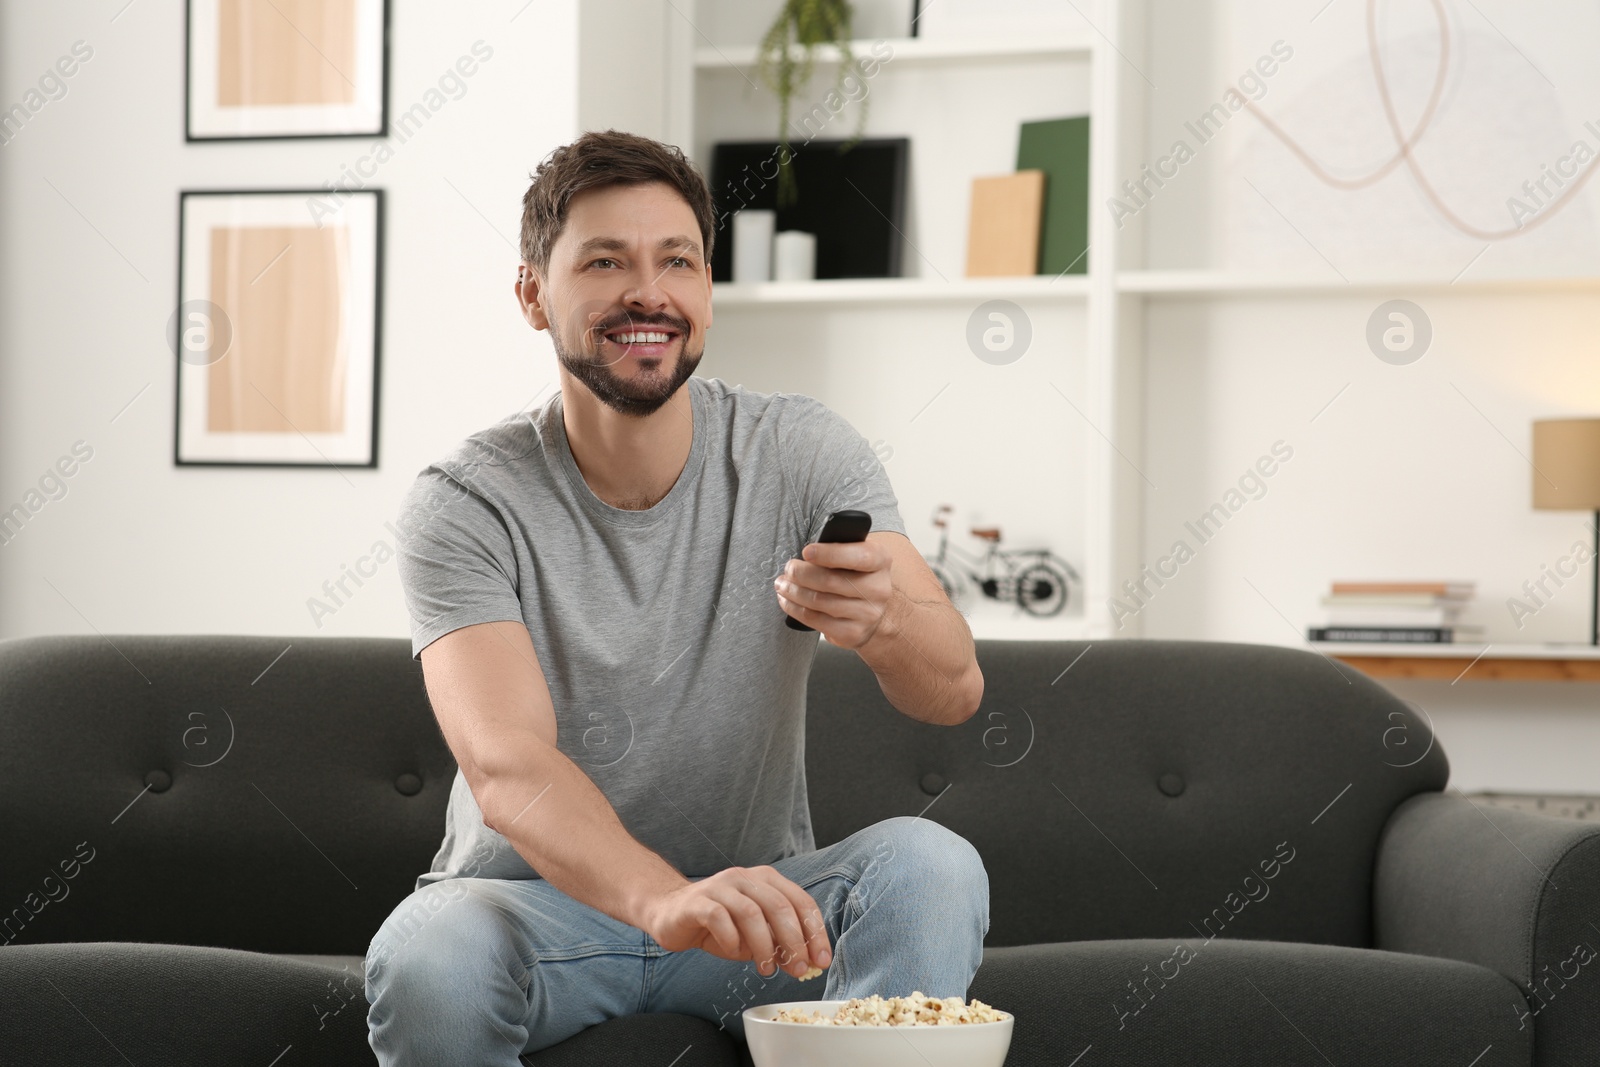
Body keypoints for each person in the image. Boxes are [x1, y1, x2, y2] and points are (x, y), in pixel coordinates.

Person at [364, 129, 990, 1065]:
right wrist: (662, 898)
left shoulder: (801, 452)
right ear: (534, 293)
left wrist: (891, 622)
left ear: (705, 289)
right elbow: (506, 763)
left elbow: (953, 689)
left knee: (932, 866)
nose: (647, 293)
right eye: (605, 261)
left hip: (757, 925)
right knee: (429, 950)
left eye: (678, 262)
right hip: (534, 921)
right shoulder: (467, 499)